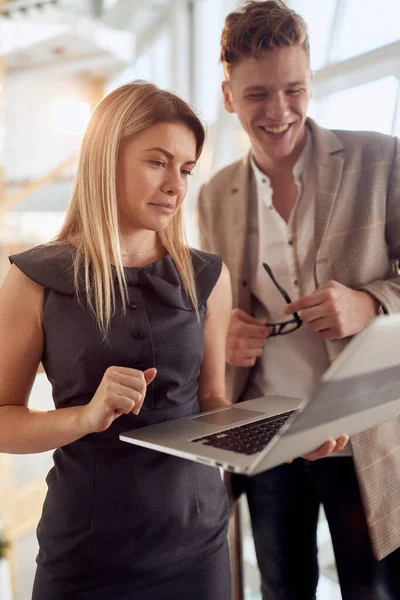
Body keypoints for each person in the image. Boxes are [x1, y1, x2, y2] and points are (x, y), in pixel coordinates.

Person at [197, 1, 400, 599]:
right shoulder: (212, 195)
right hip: (269, 433)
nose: (279, 111)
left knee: (374, 590)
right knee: (281, 588)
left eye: (295, 89)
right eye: (257, 93)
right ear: (229, 95)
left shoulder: (382, 160)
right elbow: (214, 312)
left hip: (364, 427)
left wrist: (372, 301)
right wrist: (223, 335)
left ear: (311, 80)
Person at [0, 81, 233, 600]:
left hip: (199, 545)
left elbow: (213, 402)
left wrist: (281, 437)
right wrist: (84, 417)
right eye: (158, 162)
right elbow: (2, 421)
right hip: (88, 554)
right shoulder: (34, 279)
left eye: (186, 169)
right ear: (106, 159)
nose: (176, 185)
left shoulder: (208, 277)